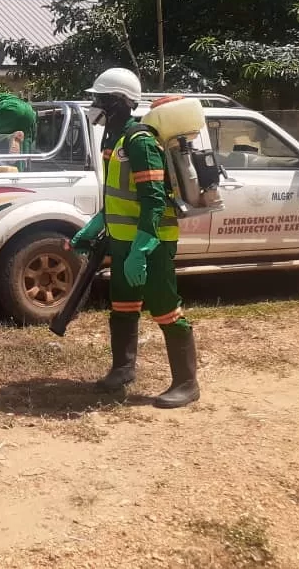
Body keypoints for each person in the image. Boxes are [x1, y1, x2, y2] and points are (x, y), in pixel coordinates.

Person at [69, 68, 200, 409]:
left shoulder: (139, 141)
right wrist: (93, 228)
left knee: (165, 308)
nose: (94, 106)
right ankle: (122, 370)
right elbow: (117, 196)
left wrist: (142, 249)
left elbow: (153, 200)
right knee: (123, 305)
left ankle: (187, 383)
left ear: (117, 102)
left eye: (99, 99)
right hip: (123, 240)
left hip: (151, 242)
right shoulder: (113, 141)